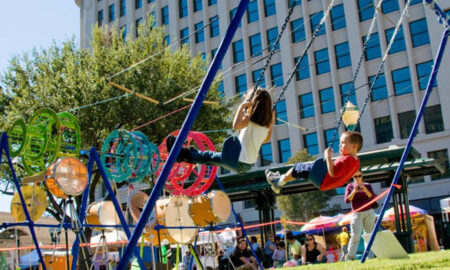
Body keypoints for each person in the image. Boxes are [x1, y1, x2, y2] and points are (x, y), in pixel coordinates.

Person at [166, 88, 275, 174]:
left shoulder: (248, 120)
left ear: (253, 104)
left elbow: (236, 126)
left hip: (238, 161)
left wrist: (241, 107)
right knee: (209, 157)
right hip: (247, 165)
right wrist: (272, 121)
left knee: (207, 156)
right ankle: (184, 155)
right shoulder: (265, 126)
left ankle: (180, 154)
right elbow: (266, 139)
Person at [266, 131, 362, 193]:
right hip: (326, 182)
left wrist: (328, 157)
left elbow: (333, 173)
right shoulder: (356, 162)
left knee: (297, 168)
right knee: (301, 171)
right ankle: (279, 180)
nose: (340, 145)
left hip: (323, 177)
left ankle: (278, 182)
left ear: (354, 147)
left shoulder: (347, 160)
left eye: (343, 143)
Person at [344, 170, 376, 261]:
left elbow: (373, 198)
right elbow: (346, 200)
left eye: (359, 175)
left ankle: (370, 257)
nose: (358, 178)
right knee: (355, 235)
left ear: (362, 176)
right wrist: (354, 191)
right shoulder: (350, 186)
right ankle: (350, 257)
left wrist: (365, 190)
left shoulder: (368, 185)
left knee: (369, 235)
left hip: (369, 212)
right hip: (356, 213)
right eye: (355, 176)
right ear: (353, 177)